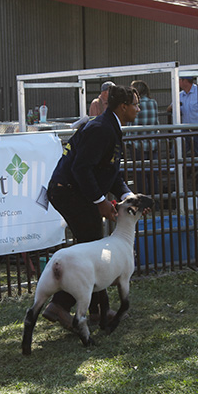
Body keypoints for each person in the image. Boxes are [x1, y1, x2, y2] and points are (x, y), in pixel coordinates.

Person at [44, 85, 143, 329]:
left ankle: (94, 309)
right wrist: (100, 202)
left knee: (92, 247)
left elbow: (111, 173)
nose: (139, 109)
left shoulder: (110, 126)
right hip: (67, 191)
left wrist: (130, 197)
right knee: (92, 248)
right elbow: (81, 168)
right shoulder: (101, 129)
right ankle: (64, 306)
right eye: (136, 105)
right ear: (123, 107)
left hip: (74, 191)